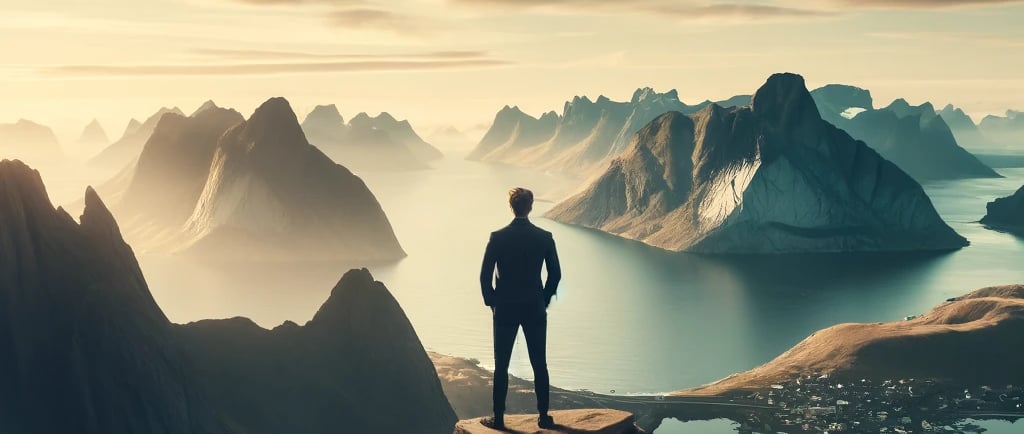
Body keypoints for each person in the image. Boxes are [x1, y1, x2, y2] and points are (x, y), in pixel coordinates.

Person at [479, 187, 561, 430]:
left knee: (501, 365)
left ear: (511, 207)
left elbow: (484, 277)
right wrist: (543, 299)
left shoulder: (497, 237)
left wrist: (493, 303)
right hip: (534, 307)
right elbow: (555, 275)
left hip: (505, 309)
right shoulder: (545, 238)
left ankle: (499, 419)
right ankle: (544, 416)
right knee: (540, 363)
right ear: (531, 206)